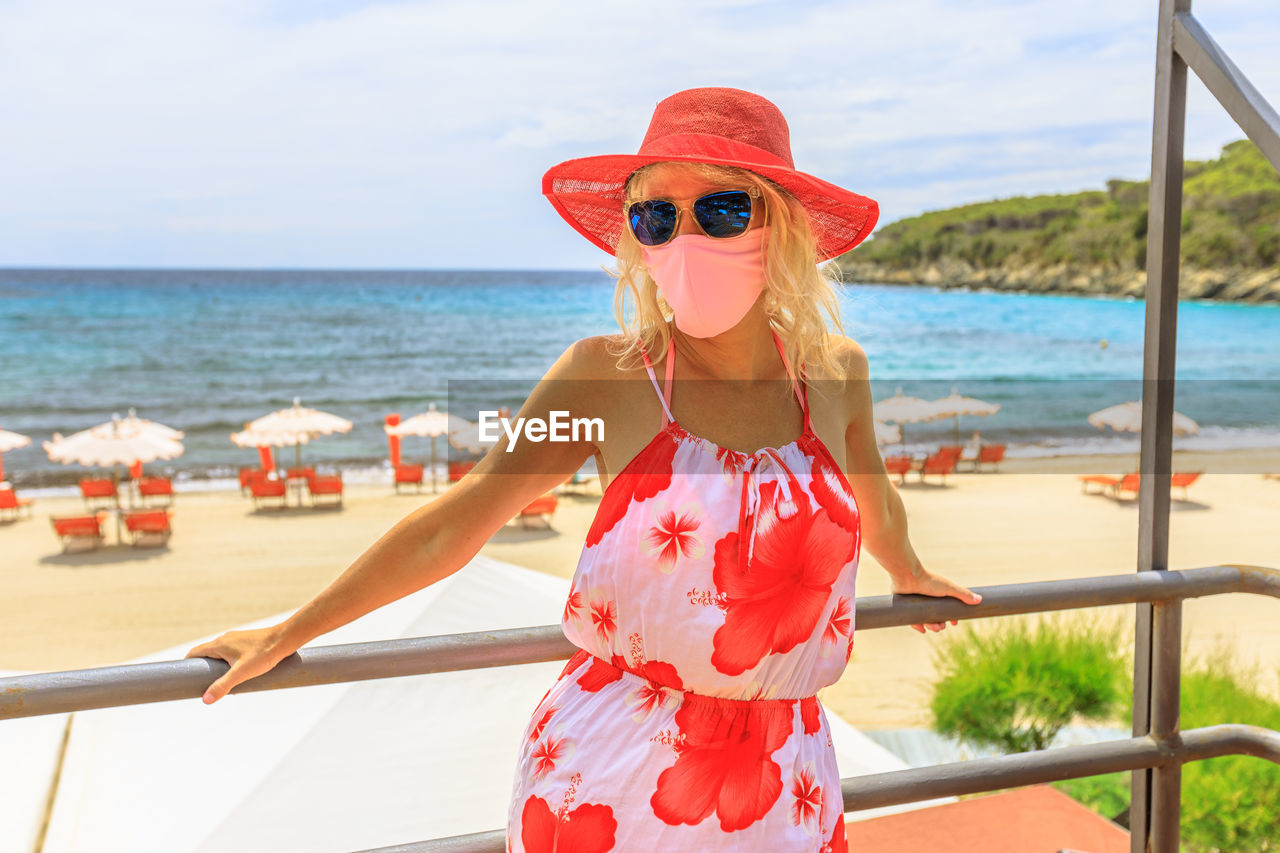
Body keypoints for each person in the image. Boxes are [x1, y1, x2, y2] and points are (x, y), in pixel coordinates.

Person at [185, 86, 983, 852]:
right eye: (656, 215)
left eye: (722, 207)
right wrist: (290, 632)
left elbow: (871, 497)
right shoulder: (606, 381)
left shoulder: (836, 373)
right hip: (609, 778)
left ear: (780, 226)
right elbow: (455, 524)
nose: (686, 237)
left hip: (787, 776)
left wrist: (910, 570)